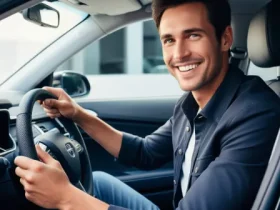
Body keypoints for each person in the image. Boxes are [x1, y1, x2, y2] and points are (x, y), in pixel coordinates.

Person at [14, 0, 280, 209]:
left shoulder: (255, 112)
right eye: (169, 40)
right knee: (103, 183)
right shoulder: (190, 103)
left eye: (193, 35)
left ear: (225, 38)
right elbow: (145, 153)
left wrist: (65, 197)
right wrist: (78, 114)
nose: (179, 54)